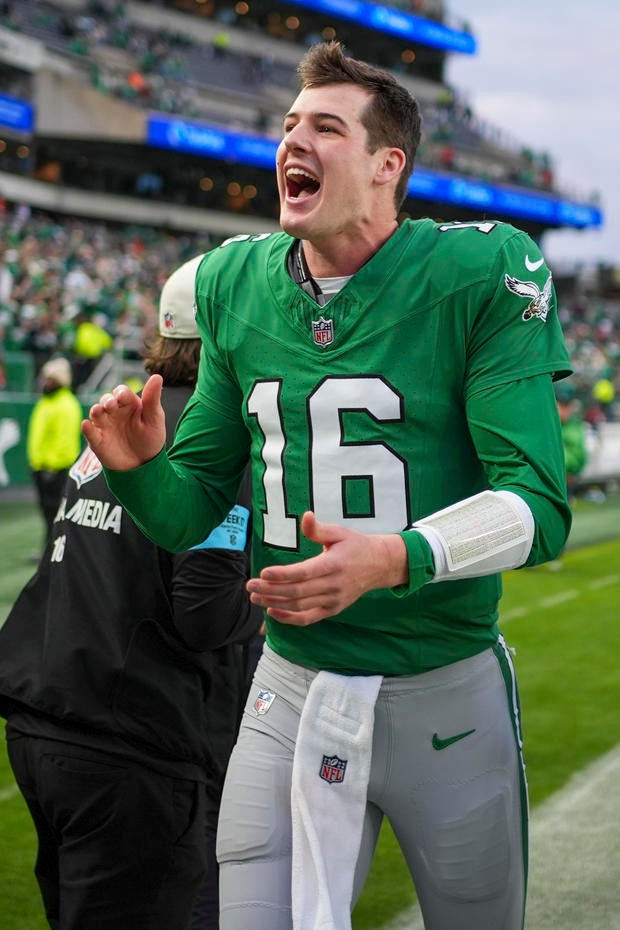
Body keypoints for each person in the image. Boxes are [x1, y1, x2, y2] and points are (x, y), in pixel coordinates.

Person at [83, 42, 572, 930]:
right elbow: (190, 503)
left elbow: (537, 505)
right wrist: (140, 469)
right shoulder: (234, 282)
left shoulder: (481, 270)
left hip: (443, 687)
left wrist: (395, 557)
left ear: (389, 166)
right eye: (287, 125)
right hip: (292, 684)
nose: (291, 142)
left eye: (324, 127)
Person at [0, 254, 262, 930]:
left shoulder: (124, 416)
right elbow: (205, 613)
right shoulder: (211, 436)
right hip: (131, 741)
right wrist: (285, 587)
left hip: (47, 716)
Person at [26, 355, 83, 549]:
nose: (46, 382)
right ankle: (48, 550)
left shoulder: (67, 404)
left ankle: (54, 550)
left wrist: (52, 466)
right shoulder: (44, 403)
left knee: (56, 513)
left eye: (51, 378)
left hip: (56, 470)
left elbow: (65, 440)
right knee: (47, 514)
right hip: (40, 467)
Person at [555, 381, 588, 501]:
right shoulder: (546, 426)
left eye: (567, 405)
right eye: (561, 404)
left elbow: (578, 457)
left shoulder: (574, 425)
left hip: (566, 482)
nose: (565, 410)